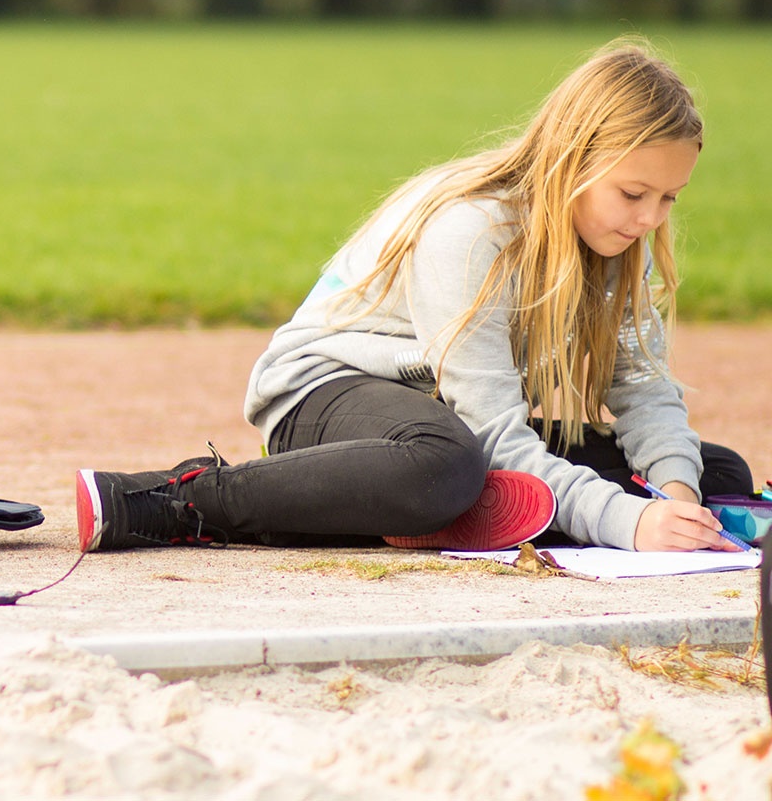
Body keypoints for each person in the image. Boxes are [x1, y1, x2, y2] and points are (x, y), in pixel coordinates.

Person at [78, 39, 751, 554]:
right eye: (633, 193)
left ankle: (425, 512)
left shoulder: (617, 248)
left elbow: (646, 394)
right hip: (327, 396)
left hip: (441, 415)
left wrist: (674, 497)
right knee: (447, 463)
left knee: (716, 467)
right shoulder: (472, 231)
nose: (649, 218)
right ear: (571, 158)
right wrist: (629, 523)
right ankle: (183, 498)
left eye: (668, 198)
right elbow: (489, 429)